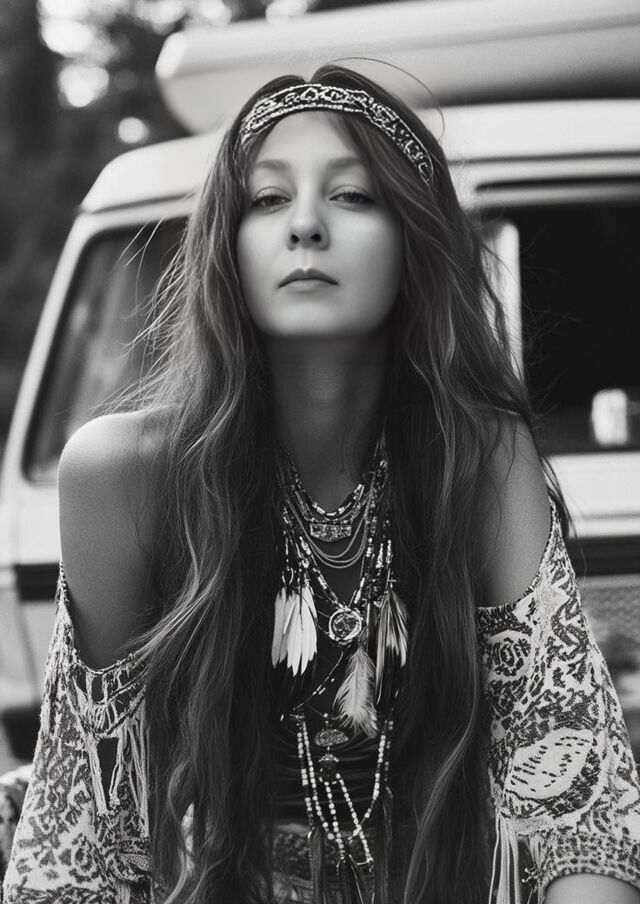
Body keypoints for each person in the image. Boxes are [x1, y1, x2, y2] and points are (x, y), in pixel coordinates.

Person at [3, 66, 640, 904]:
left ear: (414, 242)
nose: (305, 224)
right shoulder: (124, 473)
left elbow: (577, 796)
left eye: (353, 195)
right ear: (226, 246)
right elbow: (82, 833)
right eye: (267, 199)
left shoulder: (479, 459)